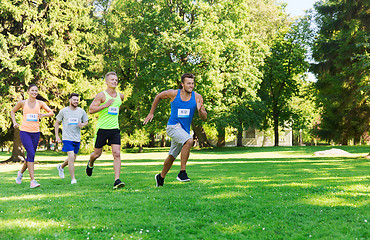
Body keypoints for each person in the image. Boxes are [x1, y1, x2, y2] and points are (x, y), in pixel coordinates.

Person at [143, 73, 207, 187]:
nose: (191, 86)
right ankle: (182, 173)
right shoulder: (173, 94)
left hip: (183, 131)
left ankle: (160, 177)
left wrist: (200, 110)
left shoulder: (197, 97)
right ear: (182, 84)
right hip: (173, 127)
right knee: (189, 140)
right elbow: (158, 96)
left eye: (192, 83)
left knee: (172, 156)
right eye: (188, 83)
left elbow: (204, 117)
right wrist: (151, 112)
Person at [86, 72, 125, 189]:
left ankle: (117, 180)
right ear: (106, 82)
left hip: (114, 129)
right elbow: (91, 110)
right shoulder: (101, 96)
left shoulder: (120, 96)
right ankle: (90, 162)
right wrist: (105, 105)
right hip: (102, 129)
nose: (115, 81)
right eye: (112, 80)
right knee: (97, 154)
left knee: (117, 154)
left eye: (116, 80)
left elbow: (117, 109)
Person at [10, 84, 54, 188]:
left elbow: (51, 112)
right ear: (28, 92)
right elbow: (12, 111)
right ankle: (32, 181)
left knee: (30, 155)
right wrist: (14, 122)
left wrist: (44, 115)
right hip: (25, 132)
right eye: (32, 90)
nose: (34, 92)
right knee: (31, 154)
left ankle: (20, 173)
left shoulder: (40, 103)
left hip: (36, 133)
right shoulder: (22, 102)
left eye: (36, 91)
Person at [55, 93, 89, 184]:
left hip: (77, 138)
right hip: (67, 138)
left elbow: (86, 121)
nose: (76, 101)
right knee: (70, 156)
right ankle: (73, 179)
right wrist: (57, 136)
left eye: (77, 100)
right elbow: (57, 123)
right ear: (70, 100)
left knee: (73, 158)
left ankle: (61, 167)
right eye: (74, 100)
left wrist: (82, 124)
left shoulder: (81, 111)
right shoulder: (64, 111)